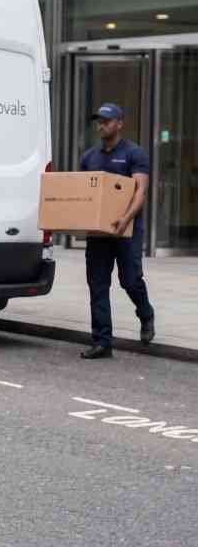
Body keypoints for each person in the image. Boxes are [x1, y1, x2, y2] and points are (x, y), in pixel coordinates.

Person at [80, 101, 156, 358]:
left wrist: (125, 219)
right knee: (98, 284)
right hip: (99, 234)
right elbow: (83, 196)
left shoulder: (134, 154)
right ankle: (102, 341)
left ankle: (146, 314)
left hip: (127, 231)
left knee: (130, 280)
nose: (102, 125)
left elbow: (140, 192)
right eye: (99, 121)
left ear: (119, 123)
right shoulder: (89, 157)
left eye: (107, 121)